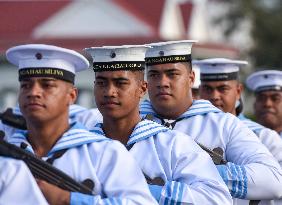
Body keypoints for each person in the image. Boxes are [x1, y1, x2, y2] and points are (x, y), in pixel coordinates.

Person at [5, 44, 157, 205]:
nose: (33, 92)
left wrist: (68, 199)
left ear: (71, 96)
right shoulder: (6, 153)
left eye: (47, 85)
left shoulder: (105, 154)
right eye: (26, 86)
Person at [85, 45, 232, 205]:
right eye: (101, 83)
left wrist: (147, 191)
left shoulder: (173, 145)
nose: (109, 92)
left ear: (142, 89)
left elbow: (217, 199)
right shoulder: (80, 148)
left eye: (120, 83)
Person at [139, 40, 282, 205]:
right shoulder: (129, 123)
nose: (163, 82)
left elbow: (273, 179)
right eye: (154, 75)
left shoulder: (224, 125)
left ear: (191, 78)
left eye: (172, 74)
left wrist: (201, 172)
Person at [197, 58, 282, 204]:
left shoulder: (263, 136)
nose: (214, 96)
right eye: (208, 89)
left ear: (238, 92)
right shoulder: (190, 131)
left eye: (222, 89)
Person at [246, 70, 282, 138]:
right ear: (254, 104)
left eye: (275, 98)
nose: (267, 104)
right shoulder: (243, 136)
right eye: (261, 98)